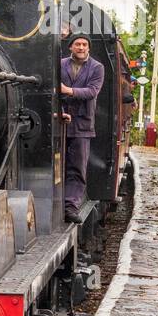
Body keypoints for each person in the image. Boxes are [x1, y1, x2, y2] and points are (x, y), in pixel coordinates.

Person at [59, 32, 106, 223]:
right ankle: (54, 202)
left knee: (77, 167)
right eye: (77, 44)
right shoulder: (60, 64)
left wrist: (68, 90)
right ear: (70, 47)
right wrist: (61, 110)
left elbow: (92, 91)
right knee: (56, 164)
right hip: (59, 119)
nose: (81, 47)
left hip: (82, 123)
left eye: (84, 45)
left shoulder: (97, 67)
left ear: (88, 48)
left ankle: (70, 206)